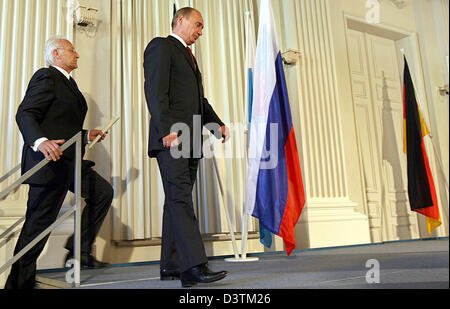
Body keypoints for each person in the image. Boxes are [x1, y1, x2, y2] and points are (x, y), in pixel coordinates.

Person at [4, 37, 113, 289]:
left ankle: (79, 251)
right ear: (56, 54)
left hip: (69, 163)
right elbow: (25, 113)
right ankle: (18, 284)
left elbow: (63, 122)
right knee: (36, 229)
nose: (77, 55)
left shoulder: (68, 83)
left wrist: (86, 134)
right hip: (48, 164)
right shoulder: (46, 76)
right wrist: (40, 141)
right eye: (72, 50)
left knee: (102, 192)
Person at [143, 7, 231, 288]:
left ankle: (171, 265)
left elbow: (198, 101)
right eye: (198, 25)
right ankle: (193, 267)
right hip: (172, 139)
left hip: (191, 141)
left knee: (175, 201)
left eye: (202, 28)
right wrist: (167, 128)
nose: (201, 31)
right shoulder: (161, 46)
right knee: (181, 198)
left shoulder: (190, 58)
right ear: (180, 20)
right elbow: (155, 92)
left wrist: (216, 125)